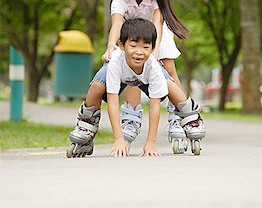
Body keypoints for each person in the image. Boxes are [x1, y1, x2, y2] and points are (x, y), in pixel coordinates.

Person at [67, 18, 205, 157]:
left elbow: (154, 106)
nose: (139, 52)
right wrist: (118, 138)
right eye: (133, 46)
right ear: (121, 45)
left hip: (146, 78)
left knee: (170, 84)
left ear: (152, 48)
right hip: (118, 74)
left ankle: (191, 118)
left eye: (145, 47)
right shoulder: (115, 63)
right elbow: (113, 102)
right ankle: (87, 123)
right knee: (96, 86)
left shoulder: (153, 67)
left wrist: (151, 142)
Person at [101, 0, 188, 142]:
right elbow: (116, 24)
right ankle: (131, 115)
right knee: (130, 67)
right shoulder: (120, 0)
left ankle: (178, 112)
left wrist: (155, 48)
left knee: (168, 65)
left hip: (157, 34)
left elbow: (157, 21)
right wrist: (110, 46)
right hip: (133, 36)